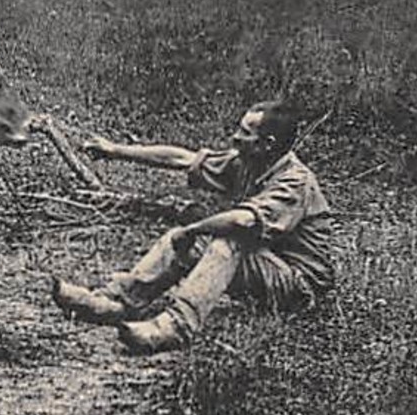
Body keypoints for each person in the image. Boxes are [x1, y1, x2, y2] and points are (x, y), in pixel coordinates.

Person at [51, 100, 336, 355]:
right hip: (268, 266)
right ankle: (118, 301)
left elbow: (242, 221)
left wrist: (194, 230)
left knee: (227, 241)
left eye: (245, 133)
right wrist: (114, 150)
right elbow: (181, 158)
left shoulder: (294, 181)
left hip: (299, 287)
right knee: (184, 238)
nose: (235, 137)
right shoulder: (250, 161)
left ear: (268, 143)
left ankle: (177, 326)